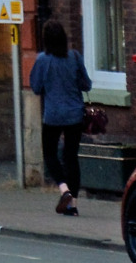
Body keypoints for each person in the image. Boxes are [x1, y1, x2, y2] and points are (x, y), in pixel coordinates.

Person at [28, 20, 93, 217]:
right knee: (71, 157)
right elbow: (86, 84)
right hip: (74, 114)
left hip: (53, 115)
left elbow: (36, 87)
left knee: (50, 154)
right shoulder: (74, 57)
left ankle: (64, 189)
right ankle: (73, 205)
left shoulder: (42, 60)